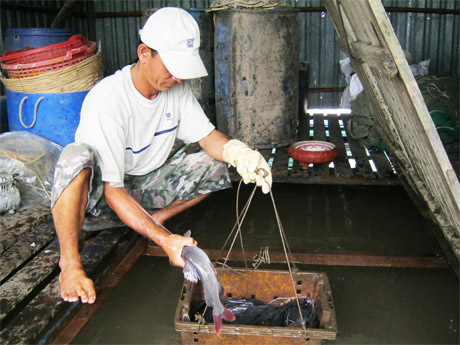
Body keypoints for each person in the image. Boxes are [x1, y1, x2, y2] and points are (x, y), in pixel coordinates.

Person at [51, 7, 272, 305]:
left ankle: (154, 220)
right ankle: (70, 264)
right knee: (74, 158)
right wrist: (165, 240)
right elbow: (114, 191)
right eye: (171, 67)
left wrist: (240, 153)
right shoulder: (108, 101)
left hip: (146, 187)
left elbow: (207, 138)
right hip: (101, 201)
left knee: (216, 162)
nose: (177, 77)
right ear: (145, 53)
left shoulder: (176, 88)